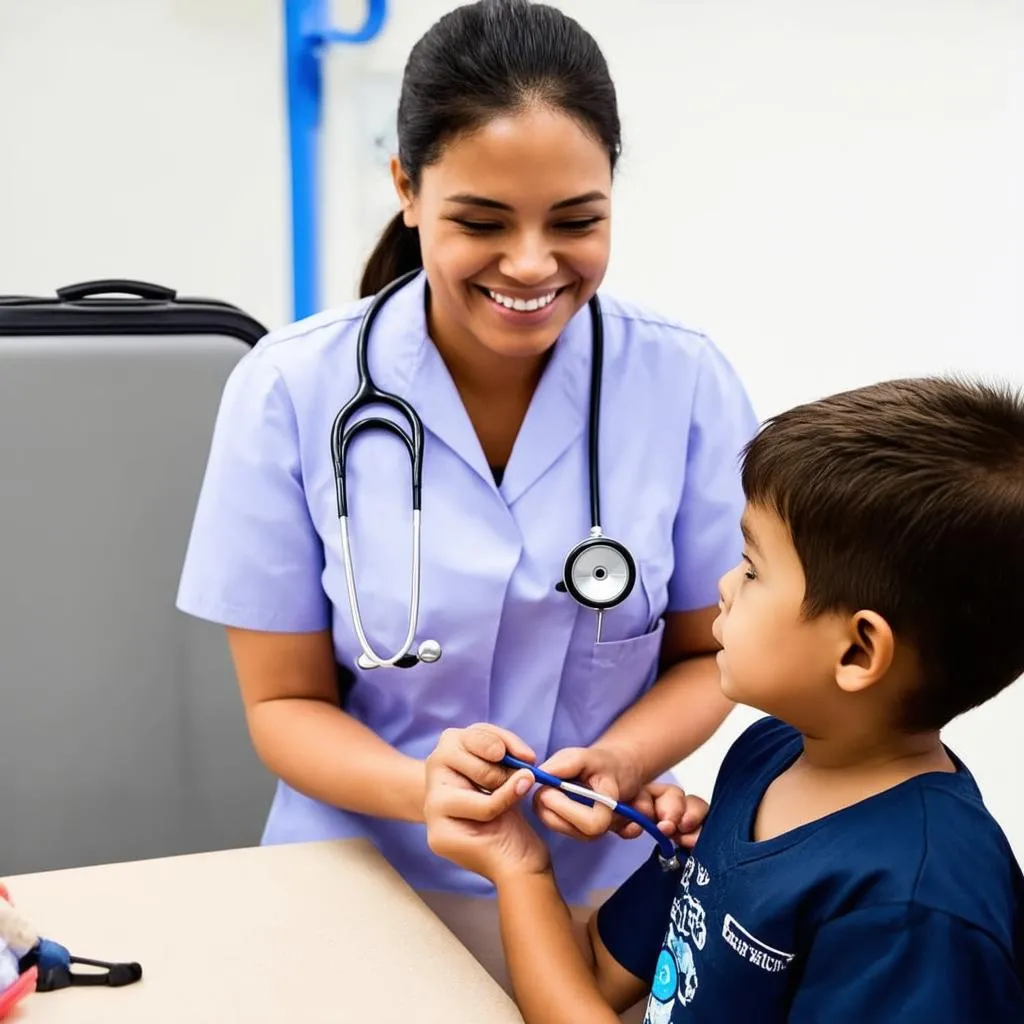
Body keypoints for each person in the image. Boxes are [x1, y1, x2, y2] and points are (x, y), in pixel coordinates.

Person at [175, 0, 757, 915]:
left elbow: (708, 655)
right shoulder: (288, 389)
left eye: (575, 221)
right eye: (483, 221)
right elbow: (282, 706)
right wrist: (421, 790)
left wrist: (624, 756)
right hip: (358, 884)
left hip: (599, 897)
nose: (530, 264)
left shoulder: (683, 383)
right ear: (406, 189)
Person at [422, 375, 1024, 1022]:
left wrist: (523, 874)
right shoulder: (767, 755)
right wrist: (518, 862)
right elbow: (595, 975)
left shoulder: (913, 911)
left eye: (753, 568)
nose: (724, 585)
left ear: (856, 652)